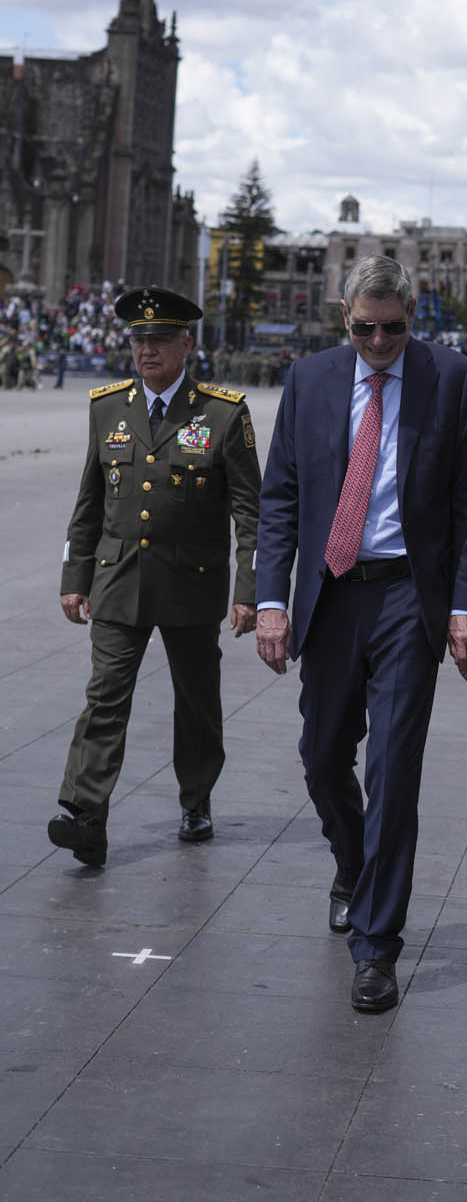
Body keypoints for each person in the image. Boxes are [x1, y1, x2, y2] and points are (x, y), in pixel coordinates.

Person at [254, 255, 467, 1014]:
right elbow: (281, 495)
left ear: (413, 319)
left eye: (393, 328)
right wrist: (269, 598)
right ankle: (350, 863)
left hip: (404, 601)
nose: (380, 341)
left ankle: (377, 944)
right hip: (329, 596)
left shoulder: (450, 380)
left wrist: (464, 605)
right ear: (343, 317)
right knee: (323, 757)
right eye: (365, 328)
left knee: (392, 771)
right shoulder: (311, 380)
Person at [48, 287, 261, 868]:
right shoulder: (107, 407)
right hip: (118, 580)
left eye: (159, 339)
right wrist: (76, 573)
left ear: (185, 343)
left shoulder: (222, 412)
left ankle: (196, 799)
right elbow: (89, 500)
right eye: (139, 339)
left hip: (192, 581)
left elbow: (251, 512)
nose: (147, 350)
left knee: (196, 700)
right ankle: (86, 814)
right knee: (104, 697)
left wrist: (250, 591)